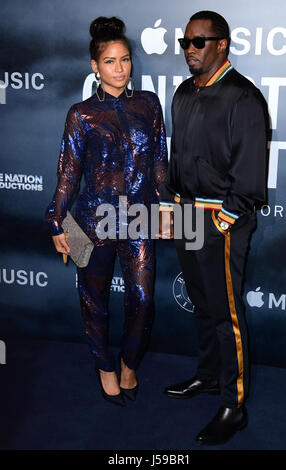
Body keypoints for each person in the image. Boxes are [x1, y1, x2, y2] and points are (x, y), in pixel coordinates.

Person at [45, 16, 167, 407]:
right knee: (93, 301)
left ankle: (130, 362)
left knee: (143, 299)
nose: (120, 68)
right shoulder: (80, 114)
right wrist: (56, 220)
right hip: (88, 223)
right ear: (95, 67)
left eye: (125, 59)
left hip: (140, 219)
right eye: (110, 61)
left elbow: (160, 163)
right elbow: (68, 172)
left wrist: (169, 204)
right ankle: (105, 369)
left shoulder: (149, 103)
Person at [159, 10, 268, 444]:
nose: (190, 49)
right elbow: (179, 158)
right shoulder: (183, 92)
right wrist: (173, 205)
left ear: (222, 44)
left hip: (220, 221)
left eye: (198, 41)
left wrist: (222, 221)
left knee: (227, 317)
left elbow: (250, 175)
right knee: (201, 306)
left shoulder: (244, 98)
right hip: (187, 214)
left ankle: (232, 405)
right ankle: (206, 376)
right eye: (184, 42)